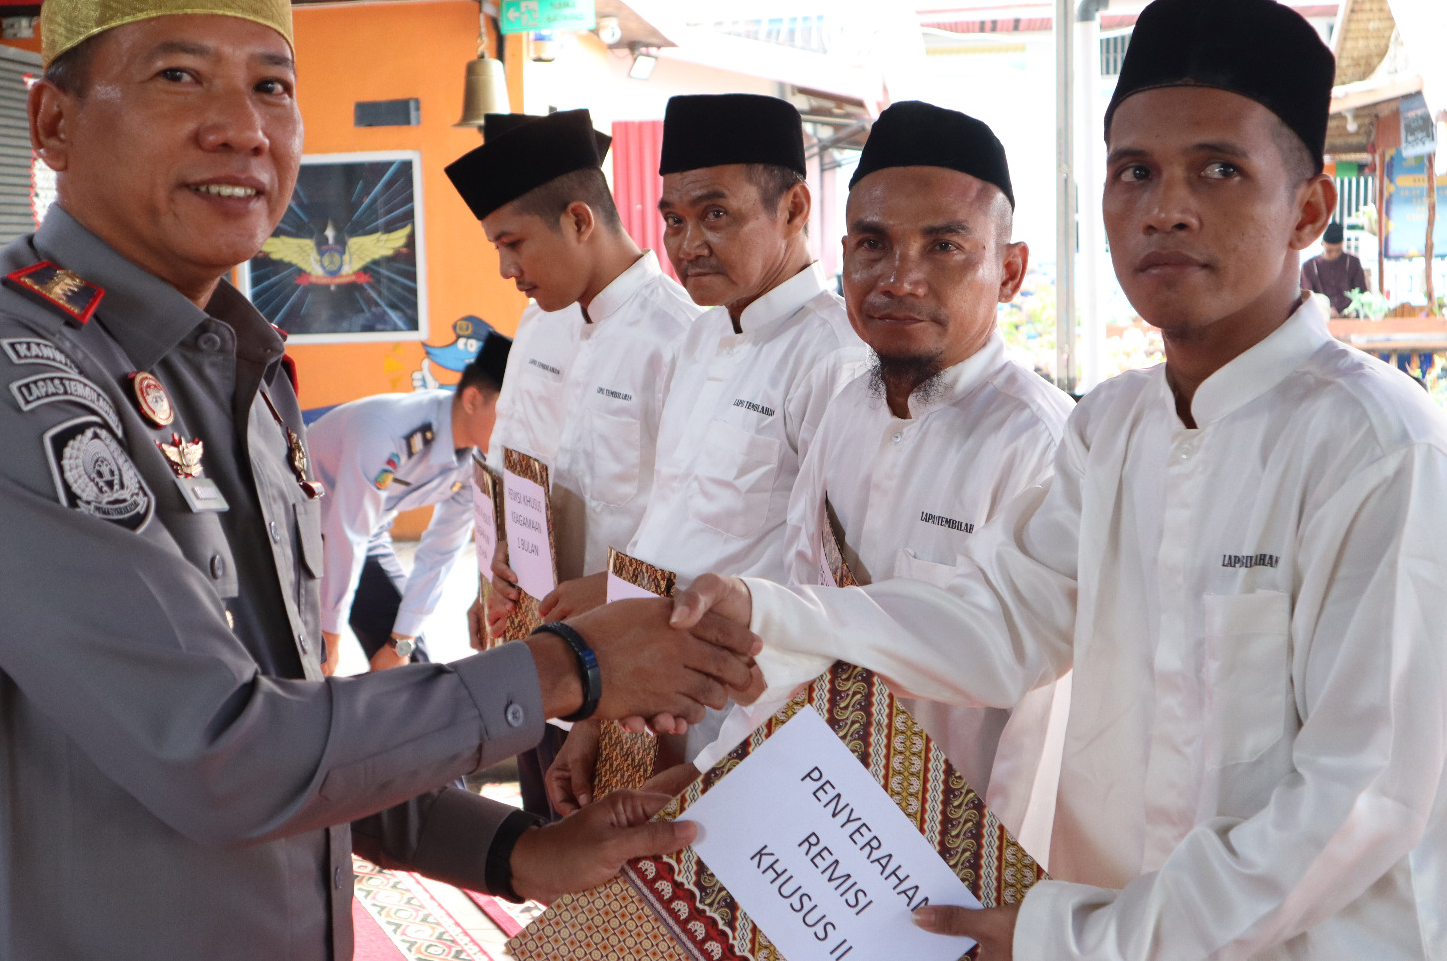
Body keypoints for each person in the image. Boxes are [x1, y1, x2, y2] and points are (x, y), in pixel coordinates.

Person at [0, 0, 760, 959]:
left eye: (271, 85)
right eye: (178, 77)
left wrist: (511, 850)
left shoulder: (227, 362)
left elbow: (286, 713)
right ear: (53, 123)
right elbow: (220, 751)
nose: (241, 125)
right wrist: (570, 668)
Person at [672, 0, 1447, 960]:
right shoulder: (1113, 426)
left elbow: (1361, 795)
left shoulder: (1379, 446)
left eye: (1216, 170)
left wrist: (1085, 938)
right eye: (1134, 172)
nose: (1165, 209)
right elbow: (1000, 624)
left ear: (1307, 209)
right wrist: (769, 611)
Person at [676, 102, 1074, 856]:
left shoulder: (1038, 444)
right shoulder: (843, 412)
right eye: (873, 244)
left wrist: (1003, 900)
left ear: (1010, 270)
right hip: (818, 836)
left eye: (946, 246)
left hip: (952, 867)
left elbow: (1041, 721)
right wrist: (713, 774)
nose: (900, 279)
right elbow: (796, 626)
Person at [539, 93, 865, 792]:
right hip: (644, 698)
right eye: (674, 220)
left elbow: (822, 593)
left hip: (743, 724)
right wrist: (594, 721)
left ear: (796, 208)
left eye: (716, 214)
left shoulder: (835, 358)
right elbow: (663, 534)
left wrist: (728, 758)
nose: (688, 244)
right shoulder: (699, 336)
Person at [447, 108, 703, 816]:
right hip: (537, 640)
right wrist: (486, 576)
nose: (506, 269)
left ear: (581, 221)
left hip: (628, 672)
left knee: (620, 881)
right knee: (546, 845)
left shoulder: (677, 338)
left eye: (514, 243)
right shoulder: (541, 320)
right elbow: (508, 463)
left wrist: (613, 598)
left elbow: (687, 524)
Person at [309, 331, 510, 676]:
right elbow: (348, 532)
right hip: (290, 528)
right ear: (473, 400)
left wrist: (400, 642)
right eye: (509, 412)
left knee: (410, 669)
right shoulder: (389, 431)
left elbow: (440, 552)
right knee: (304, 661)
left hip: (363, 531)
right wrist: (330, 633)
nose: (515, 427)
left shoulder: (476, 460)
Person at [1299, 220, 1366, 314]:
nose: (1334, 254)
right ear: (1322, 243)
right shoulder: (1309, 266)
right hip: (1321, 316)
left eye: (1338, 250)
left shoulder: (1352, 262)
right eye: (1329, 251)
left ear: (1342, 244)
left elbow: (1362, 292)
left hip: (1350, 314)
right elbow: (1307, 297)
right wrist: (1326, 309)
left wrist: (1354, 309)